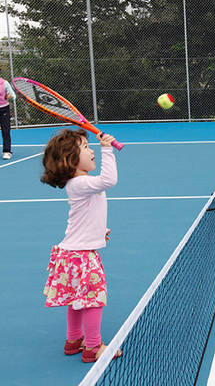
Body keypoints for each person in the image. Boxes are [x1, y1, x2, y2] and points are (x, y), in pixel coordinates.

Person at [41, 128, 122, 363]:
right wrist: (107, 149)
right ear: (71, 160)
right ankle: (93, 347)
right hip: (80, 256)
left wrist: (98, 231)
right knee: (94, 299)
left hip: (72, 253)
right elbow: (109, 180)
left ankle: (74, 340)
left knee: (78, 299)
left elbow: (86, 216)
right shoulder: (81, 183)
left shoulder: (79, 184)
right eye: (86, 148)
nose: (92, 151)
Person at [0, 74, 16, 160]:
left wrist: (10, 96)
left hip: (4, 110)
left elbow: (13, 95)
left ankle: (7, 151)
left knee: (5, 130)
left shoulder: (4, 83)